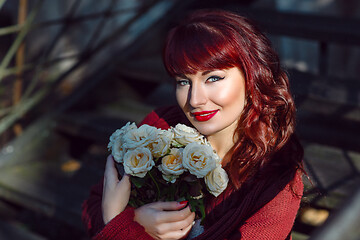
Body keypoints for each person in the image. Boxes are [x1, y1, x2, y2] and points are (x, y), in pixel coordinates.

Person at [82, 9, 304, 240]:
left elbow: (110, 219)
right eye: (183, 81)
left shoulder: (277, 181)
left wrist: (123, 226)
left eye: (213, 78)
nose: (195, 100)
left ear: (252, 78)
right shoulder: (159, 129)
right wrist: (134, 218)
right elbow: (93, 206)